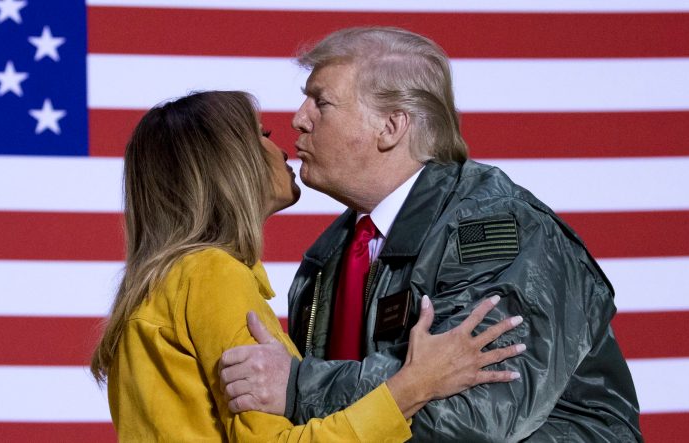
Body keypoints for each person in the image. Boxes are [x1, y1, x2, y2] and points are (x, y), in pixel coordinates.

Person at [218, 27, 643, 441]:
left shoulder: (496, 227)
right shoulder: (327, 256)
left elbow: (475, 413)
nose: (298, 119)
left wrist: (298, 387)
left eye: (321, 102)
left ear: (391, 126)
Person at [89, 91, 526, 441]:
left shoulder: (162, 284)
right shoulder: (210, 275)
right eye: (262, 133)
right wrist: (416, 385)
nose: (282, 146)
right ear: (228, 162)